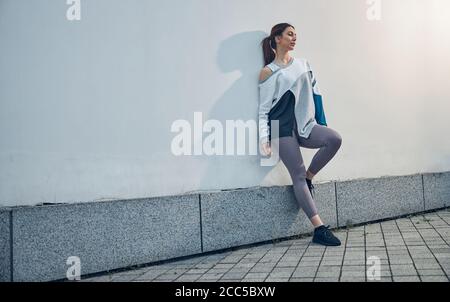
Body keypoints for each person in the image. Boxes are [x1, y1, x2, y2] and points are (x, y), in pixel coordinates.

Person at [258, 23, 343, 246]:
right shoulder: (268, 71)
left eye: (296, 35)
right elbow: (264, 110)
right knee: (296, 174)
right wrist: (264, 138)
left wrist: (321, 122)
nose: (294, 38)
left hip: (305, 124)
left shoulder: (304, 64)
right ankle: (319, 228)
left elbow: (317, 95)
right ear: (277, 38)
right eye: (290, 34)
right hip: (280, 128)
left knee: (334, 139)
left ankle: (310, 177)